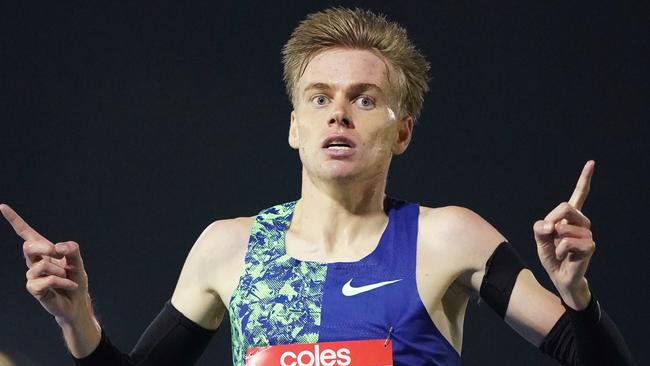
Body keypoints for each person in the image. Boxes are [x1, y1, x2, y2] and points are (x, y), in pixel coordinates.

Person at [0, 7, 634, 366]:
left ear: (403, 132)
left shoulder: (449, 237)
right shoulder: (230, 248)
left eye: (365, 99)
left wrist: (575, 294)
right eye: (320, 98)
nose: (339, 114)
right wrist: (75, 317)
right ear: (295, 127)